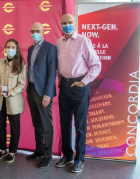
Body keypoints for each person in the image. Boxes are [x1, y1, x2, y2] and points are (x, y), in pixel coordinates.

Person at [55, 14, 101, 173]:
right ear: (60, 25)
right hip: (64, 85)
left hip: (79, 85)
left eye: (69, 22)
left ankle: (79, 158)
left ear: (75, 23)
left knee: (80, 125)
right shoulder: (59, 42)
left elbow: (96, 65)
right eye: (64, 23)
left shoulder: (83, 41)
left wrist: (84, 82)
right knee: (65, 123)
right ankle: (67, 155)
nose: (67, 25)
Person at [25, 22, 57, 168]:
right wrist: (27, 90)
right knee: (36, 123)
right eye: (32, 30)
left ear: (43, 31)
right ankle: (39, 150)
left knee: (46, 125)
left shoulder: (50, 48)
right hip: (31, 90)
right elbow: (30, 71)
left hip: (43, 92)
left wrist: (48, 94)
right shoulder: (31, 49)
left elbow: (52, 73)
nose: (34, 33)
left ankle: (48, 155)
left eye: (37, 30)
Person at [0, 39, 27, 163]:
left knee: (14, 128)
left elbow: (22, 85)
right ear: (5, 48)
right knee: (1, 127)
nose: (10, 49)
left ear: (16, 49)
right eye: (8, 47)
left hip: (14, 102)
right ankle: (3, 150)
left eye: (12, 47)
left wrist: (11, 92)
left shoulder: (21, 65)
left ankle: (12, 152)